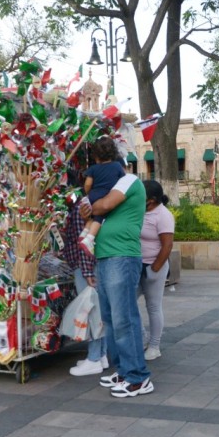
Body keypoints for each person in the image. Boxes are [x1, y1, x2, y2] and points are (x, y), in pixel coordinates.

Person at [82, 171, 152, 398]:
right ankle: (123, 371)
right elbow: (97, 216)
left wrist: (93, 206)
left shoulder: (128, 181)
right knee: (111, 320)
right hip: (105, 257)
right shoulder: (111, 189)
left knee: (124, 319)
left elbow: (102, 207)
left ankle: (138, 377)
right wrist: (88, 215)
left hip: (121, 257)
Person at [63, 200, 108, 376]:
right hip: (88, 266)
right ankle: (101, 355)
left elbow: (86, 241)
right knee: (98, 312)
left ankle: (94, 358)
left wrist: (87, 270)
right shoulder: (92, 203)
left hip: (86, 267)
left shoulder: (84, 206)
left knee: (90, 313)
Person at [139, 180, 175, 361]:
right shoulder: (141, 210)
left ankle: (154, 346)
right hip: (136, 264)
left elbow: (167, 245)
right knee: (127, 302)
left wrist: (154, 269)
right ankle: (142, 337)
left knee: (153, 306)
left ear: (151, 199)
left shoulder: (163, 215)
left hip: (154, 265)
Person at [78, 136, 126, 257]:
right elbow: (124, 181)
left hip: (93, 195)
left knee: (92, 216)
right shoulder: (117, 166)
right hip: (106, 196)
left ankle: (84, 233)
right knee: (100, 217)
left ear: (96, 155)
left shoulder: (93, 168)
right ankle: (90, 238)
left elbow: (88, 183)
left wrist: (89, 193)